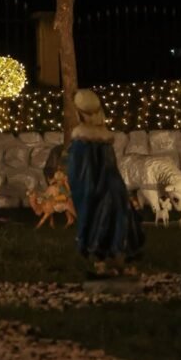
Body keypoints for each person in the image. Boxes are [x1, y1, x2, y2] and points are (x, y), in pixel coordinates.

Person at [68, 89, 145, 276]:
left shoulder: (81, 140)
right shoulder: (104, 138)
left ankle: (105, 263)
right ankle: (117, 261)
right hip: (115, 188)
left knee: (99, 224)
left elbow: (82, 173)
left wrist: (84, 194)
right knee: (117, 222)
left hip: (97, 189)